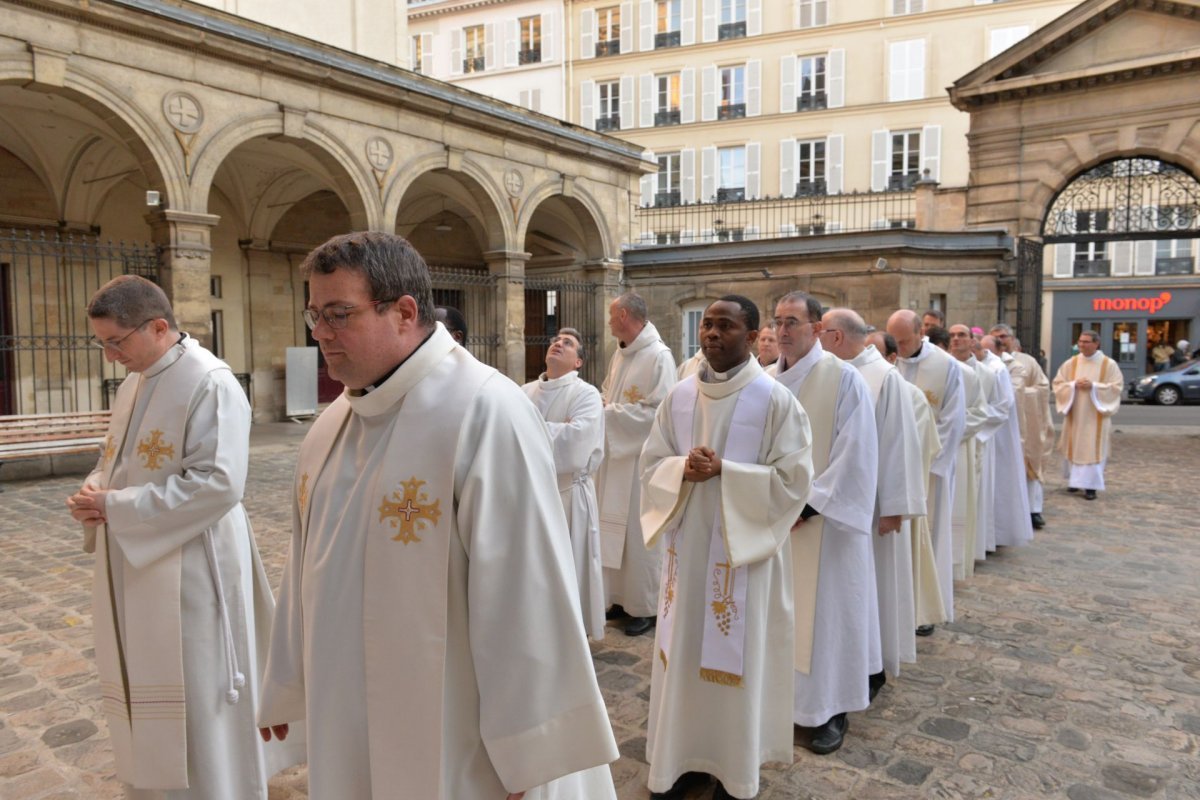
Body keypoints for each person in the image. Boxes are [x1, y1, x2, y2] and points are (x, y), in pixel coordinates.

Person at [257, 232, 618, 799]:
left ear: (404, 312)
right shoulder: (331, 425)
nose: (319, 333)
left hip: (455, 724)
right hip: (345, 709)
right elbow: (305, 566)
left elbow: (527, 589)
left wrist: (528, 749)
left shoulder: (486, 411)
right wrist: (287, 680)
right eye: (314, 314)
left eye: (338, 314)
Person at [65, 275, 302, 797]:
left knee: (199, 687)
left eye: (116, 342)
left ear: (157, 326)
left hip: (195, 563)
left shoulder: (210, 381)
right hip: (139, 556)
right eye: (102, 342)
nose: (110, 356)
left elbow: (219, 483)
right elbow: (117, 460)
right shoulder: (136, 381)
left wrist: (116, 506)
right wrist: (95, 491)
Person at [640, 295, 812, 800]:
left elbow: (794, 481)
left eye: (726, 326)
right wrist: (680, 470)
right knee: (683, 659)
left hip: (743, 561)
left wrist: (726, 473)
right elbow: (651, 464)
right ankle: (679, 761)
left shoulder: (775, 400)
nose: (712, 334)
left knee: (734, 663)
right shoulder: (679, 397)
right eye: (707, 325)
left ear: (753, 335)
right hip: (687, 555)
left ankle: (732, 773)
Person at [769, 292, 878, 755]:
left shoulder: (843, 380)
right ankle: (778, 703)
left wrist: (809, 505)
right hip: (775, 520)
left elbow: (856, 452)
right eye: (777, 321)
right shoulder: (765, 382)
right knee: (781, 615)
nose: (783, 330)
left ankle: (830, 709)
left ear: (817, 328)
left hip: (824, 524)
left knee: (828, 616)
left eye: (792, 321)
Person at [823, 309, 924, 698]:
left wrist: (894, 506)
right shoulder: (831, 373)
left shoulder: (883, 377)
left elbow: (900, 445)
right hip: (839, 503)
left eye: (821, 332)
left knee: (875, 587)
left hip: (875, 506)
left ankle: (873, 664)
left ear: (835, 336)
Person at [597, 292, 677, 637]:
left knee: (640, 535)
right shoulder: (621, 352)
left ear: (625, 316)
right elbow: (607, 391)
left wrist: (608, 415)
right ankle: (618, 598)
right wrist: (601, 405)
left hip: (641, 460)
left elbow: (659, 413)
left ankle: (644, 606)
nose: (609, 321)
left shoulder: (659, 357)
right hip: (617, 457)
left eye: (612, 316)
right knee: (614, 531)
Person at [522, 328, 606, 640]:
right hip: (531, 493)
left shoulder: (585, 394)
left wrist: (529, 429)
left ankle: (572, 635)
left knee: (571, 568)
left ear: (578, 362)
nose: (558, 344)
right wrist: (556, 428)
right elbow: (507, 433)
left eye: (567, 344)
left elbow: (576, 445)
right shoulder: (524, 391)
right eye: (555, 340)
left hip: (569, 495)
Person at [887, 309, 964, 634]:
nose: (900, 348)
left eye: (904, 341)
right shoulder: (888, 362)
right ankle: (897, 605)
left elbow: (953, 419)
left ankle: (926, 610)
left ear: (921, 333)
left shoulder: (946, 366)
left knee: (928, 536)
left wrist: (925, 461)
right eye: (895, 342)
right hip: (893, 468)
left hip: (929, 468)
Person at [991, 327, 1057, 531]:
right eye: (996, 337)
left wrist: (1022, 394)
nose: (1000, 340)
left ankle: (1033, 509)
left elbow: (1043, 387)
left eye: (1004, 336)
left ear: (1013, 340)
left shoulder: (1027, 362)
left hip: (1027, 421)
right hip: (998, 424)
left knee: (1029, 463)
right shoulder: (988, 360)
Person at [1053, 330, 1123, 501]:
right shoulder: (1072, 363)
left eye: (1086, 342)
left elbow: (1116, 387)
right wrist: (1072, 385)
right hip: (1076, 413)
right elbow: (1058, 383)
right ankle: (1074, 481)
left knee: (1092, 447)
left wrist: (1094, 387)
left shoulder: (1108, 364)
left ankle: (1091, 487)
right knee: (1074, 445)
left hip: (1096, 415)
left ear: (1096, 344)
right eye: (1080, 341)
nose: (1081, 345)